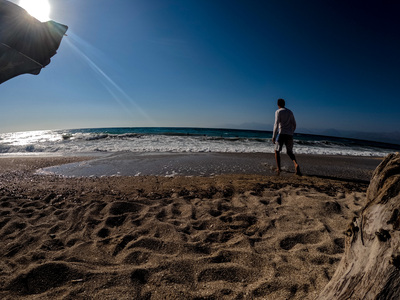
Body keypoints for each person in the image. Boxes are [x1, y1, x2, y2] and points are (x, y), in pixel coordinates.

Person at [272, 98, 302, 176]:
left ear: (278, 104)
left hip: (281, 133)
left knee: (276, 151)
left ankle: (278, 168)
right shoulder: (290, 112)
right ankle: (295, 164)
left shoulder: (278, 111)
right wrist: (291, 132)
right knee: (289, 152)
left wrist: (273, 136)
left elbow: (276, 124)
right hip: (289, 135)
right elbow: (294, 124)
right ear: (284, 104)